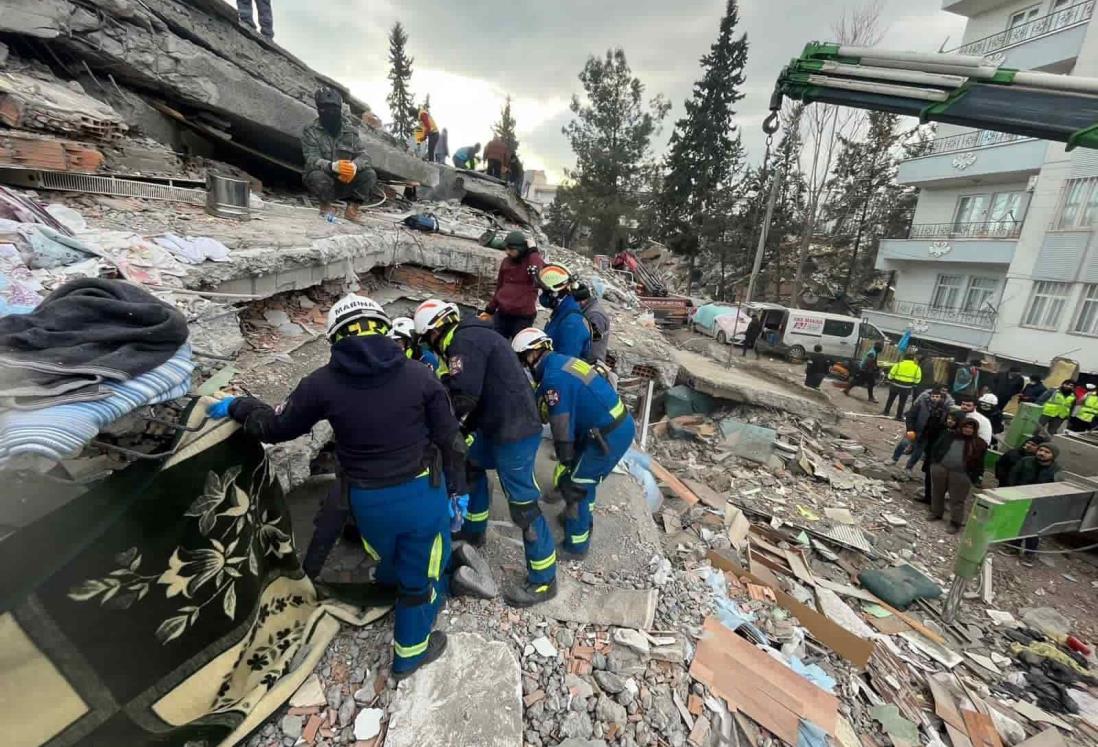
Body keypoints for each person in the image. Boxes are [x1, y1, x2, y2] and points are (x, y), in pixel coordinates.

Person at [206, 295, 476, 679]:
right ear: (384, 329)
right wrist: (458, 488)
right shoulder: (421, 377)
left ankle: (387, 590)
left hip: (365, 501)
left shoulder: (321, 384)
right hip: (419, 497)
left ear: (335, 339)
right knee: (423, 576)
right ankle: (409, 657)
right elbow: (451, 440)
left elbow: (275, 428)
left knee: (388, 554)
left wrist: (240, 406)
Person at [413, 299, 557, 606]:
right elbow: (473, 393)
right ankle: (473, 532)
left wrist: (443, 427)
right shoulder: (473, 335)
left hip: (514, 431)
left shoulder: (465, 340)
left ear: (434, 332)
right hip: (497, 424)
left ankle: (544, 580)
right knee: (472, 465)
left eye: (426, 339)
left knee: (523, 506)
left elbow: (464, 396)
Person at [512, 328, 636, 558]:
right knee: (581, 479)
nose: (524, 367)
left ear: (531, 355)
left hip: (607, 435)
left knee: (575, 488)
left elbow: (561, 422)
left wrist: (565, 453)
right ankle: (579, 518)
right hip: (609, 427)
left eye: (522, 360)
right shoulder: (561, 361)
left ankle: (576, 546)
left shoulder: (553, 379)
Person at [302, 88, 377, 222]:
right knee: (315, 175)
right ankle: (326, 207)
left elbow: (365, 157)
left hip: (346, 180)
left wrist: (354, 166)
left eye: (333, 109)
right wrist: (332, 166)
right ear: (318, 109)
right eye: (324, 109)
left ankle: (352, 210)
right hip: (325, 180)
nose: (329, 112)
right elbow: (311, 158)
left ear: (340, 109)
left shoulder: (350, 131)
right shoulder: (310, 130)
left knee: (369, 174)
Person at [928, 416, 988, 534]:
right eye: (966, 427)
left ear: (975, 430)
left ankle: (955, 523)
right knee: (937, 492)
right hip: (941, 468)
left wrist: (975, 477)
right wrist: (934, 463)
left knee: (957, 499)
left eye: (971, 428)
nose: (968, 430)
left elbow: (980, 463)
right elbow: (936, 448)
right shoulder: (949, 435)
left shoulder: (979, 443)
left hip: (961, 474)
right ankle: (936, 513)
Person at [482, 231, 545, 340]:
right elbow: (500, 287)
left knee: (518, 349)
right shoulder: (506, 262)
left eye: (511, 249)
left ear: (520, 249)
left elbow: (538, 275)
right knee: (494, 343)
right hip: (502, 314)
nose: (507, 252)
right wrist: (490, 308)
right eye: (507, 248)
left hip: (522, 317)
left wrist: (533, 251)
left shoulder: (531, 262)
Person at [1006, 443, 1061, 566]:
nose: (1042, 453)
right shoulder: (1026, 461)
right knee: (1017, 523)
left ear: (1053, 456)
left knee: (1033, 529)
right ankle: (1013, 547)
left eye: (1047, 452)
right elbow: (1013, 476)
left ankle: (1029, 554)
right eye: (1041, 450)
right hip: (1020, 498)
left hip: (1040, 504)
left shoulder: (1056, 470)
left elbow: (1057, 489)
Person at [539, 263, 592, 361]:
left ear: (555, 293)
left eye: (545, 292)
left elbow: (566, 364)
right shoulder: (561, 311)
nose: (542, 297)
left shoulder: (571, 322)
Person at [894, 387, 952, 471]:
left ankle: (908, 468)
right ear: (930, 395)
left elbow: (943, 424)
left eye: (937, 397)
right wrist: (910, 429)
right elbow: (911, 416)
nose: (935, 398)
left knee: (918, 452)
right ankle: (894, 459)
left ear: (941, 397)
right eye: (933, 396)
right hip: (914, 429)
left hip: (927, 434)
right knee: (903, 444)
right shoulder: (921, 403)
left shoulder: (944, 409)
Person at [574, 282, 611, 363]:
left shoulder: (595, 315)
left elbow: (592, 341)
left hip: (590, 362)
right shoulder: (588, 310)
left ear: (582, 301)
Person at [883, 352, 923, 420]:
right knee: (902, 402)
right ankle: (898, 416)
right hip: (907, 388)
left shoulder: (898, 365)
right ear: (913, 359)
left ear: (904, 358)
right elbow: (917, 380)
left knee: (890, 399)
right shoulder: (917, 368)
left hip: (895, 385)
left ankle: (886, 412)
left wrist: (890, 379)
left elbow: (891, 374)